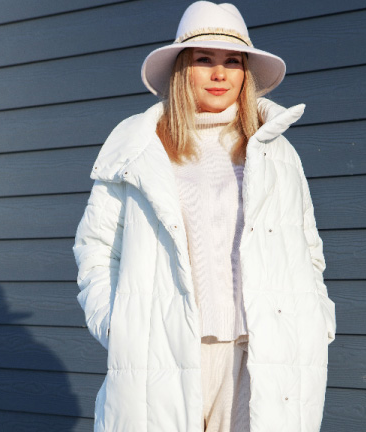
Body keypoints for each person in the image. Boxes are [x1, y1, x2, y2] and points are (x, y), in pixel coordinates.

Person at [73, 2, 336, 431]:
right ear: (182, 70)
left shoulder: (275, 152)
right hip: (165, 351)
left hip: (260, 350)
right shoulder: (139, 149)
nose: (219, 74)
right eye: (204, 60)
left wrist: (319, 320)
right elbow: (96, 249)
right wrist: (118, 325)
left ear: (245, 74)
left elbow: (307, 247)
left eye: (232, 62)